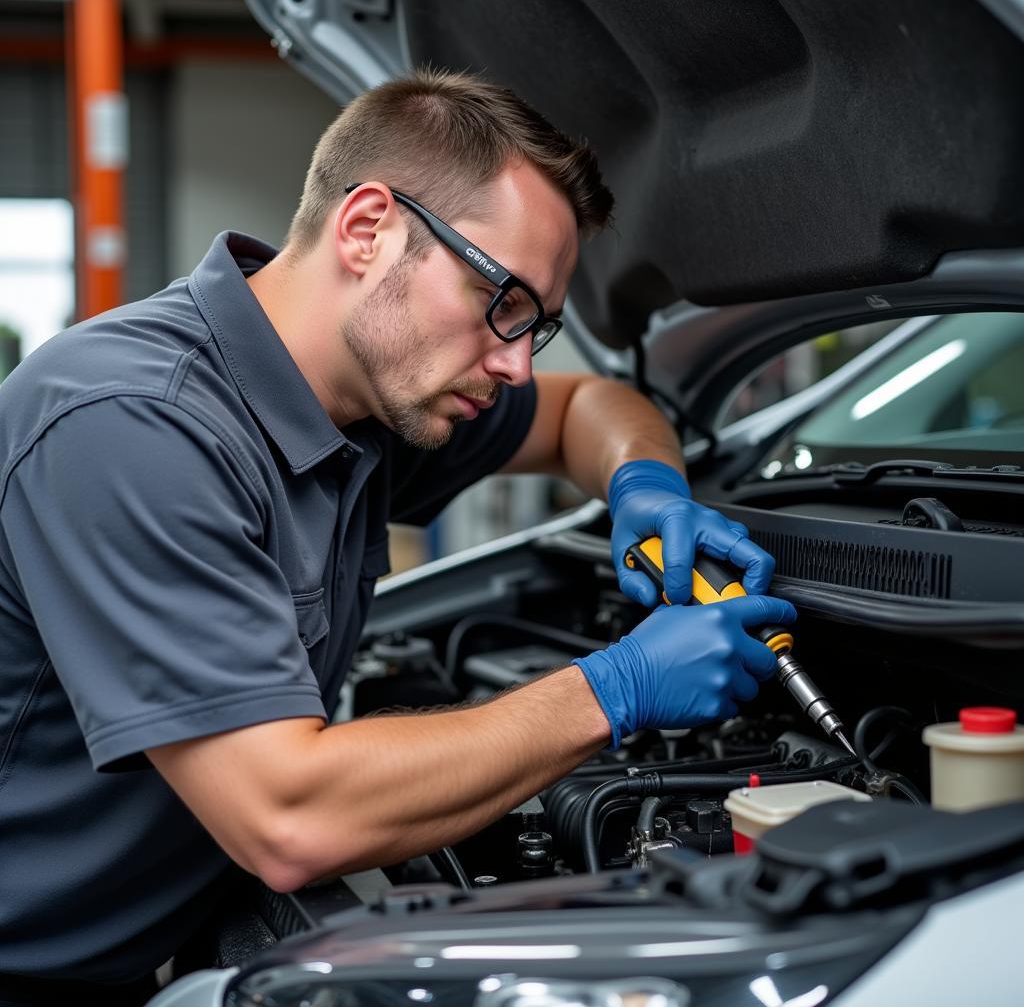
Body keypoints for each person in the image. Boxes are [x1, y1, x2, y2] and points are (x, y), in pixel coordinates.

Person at [0, 69, 795, 1001]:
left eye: (534, 327)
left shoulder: (366, 398)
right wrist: (614, 688)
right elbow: (288, 819)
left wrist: (646, 487)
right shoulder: (129, 425)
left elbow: (592, 406)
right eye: (502, 301)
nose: (510, 361)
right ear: (368, 227)